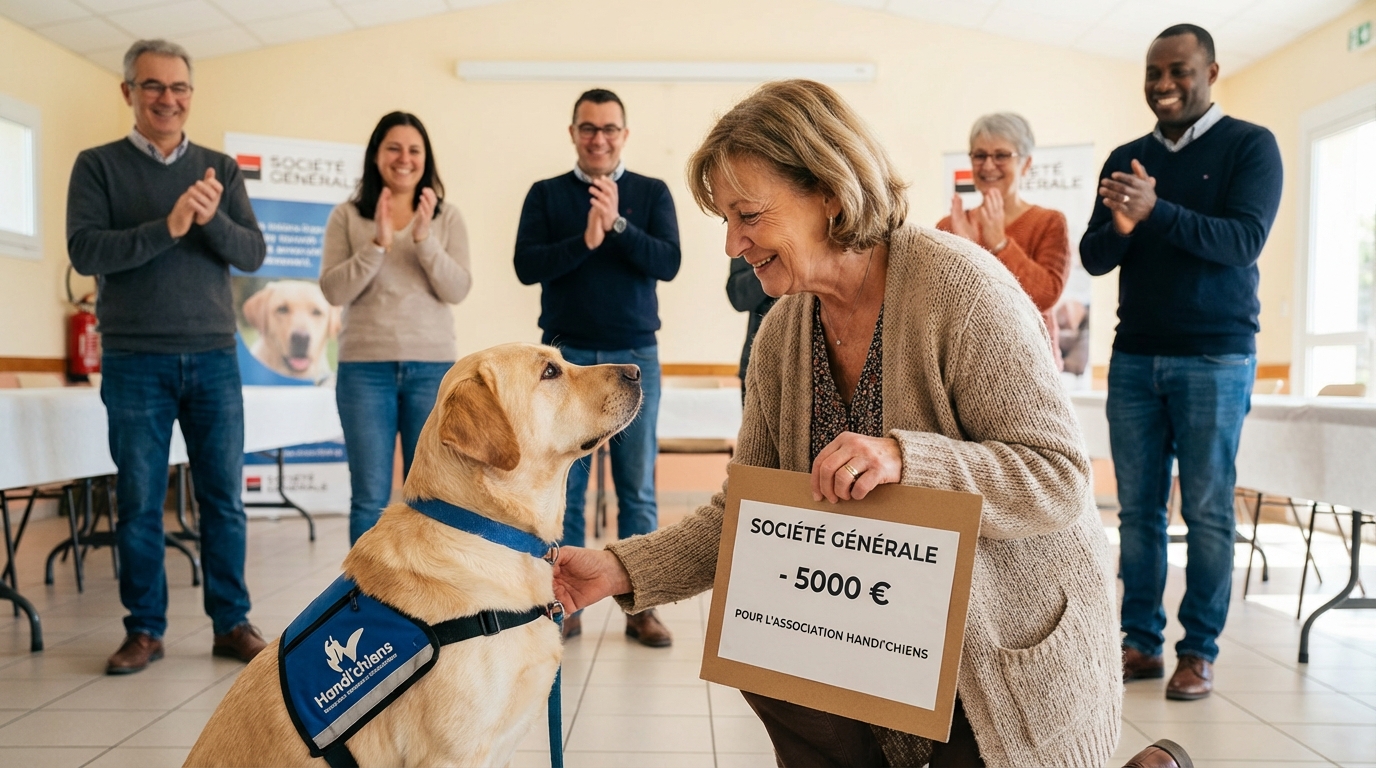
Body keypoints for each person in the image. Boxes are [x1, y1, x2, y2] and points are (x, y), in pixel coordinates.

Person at [551, 79, 1125, 767]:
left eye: (748, 215)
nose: (733, 244)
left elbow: (1058, 477)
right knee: (780, 683)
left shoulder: (964, 292)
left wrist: (907, 460)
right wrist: (617, 568)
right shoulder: (781, 334)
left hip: (994, 662)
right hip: (873, 652)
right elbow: (748, 513)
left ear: (830, 192)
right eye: (726, 220)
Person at [1081, 24, 1283, 702]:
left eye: (1179, 70)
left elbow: (1243, 241)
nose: (1163, 84)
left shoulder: (1251, 146)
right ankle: (1141, 643)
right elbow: (1094, 257)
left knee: (1206, 511)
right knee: (1137, 512)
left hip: (1216, 355)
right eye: (1153, 72)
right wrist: (1122, 226)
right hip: (1135, 358)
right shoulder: (1127, 157)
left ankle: (1198, 652)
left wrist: (1156, 211)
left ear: (1211, 72)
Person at [66, 39, 267, 674]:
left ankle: (231, 623)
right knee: (139, 502)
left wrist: (208, 220)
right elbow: (85, 251)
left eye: (179, 87)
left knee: (223, 500)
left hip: (212, 357)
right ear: (128, 91)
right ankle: (145, 629)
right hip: (135, 361)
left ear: (190, 95)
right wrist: (170, 226)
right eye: (153, 85)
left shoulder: (219, 168)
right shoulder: (97, 166)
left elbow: (252, 253)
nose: (167, 98)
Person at [514, 89, 680, 646]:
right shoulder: (545, 194)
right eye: (588, 128)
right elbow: (526, 265)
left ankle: (641, 606)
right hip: (567, 362)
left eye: (609, 129)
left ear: (624, 135)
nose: (599, 138)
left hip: (634, 355)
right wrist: (585, 240)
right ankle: (564, 602)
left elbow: (669, 261)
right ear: (573, 133)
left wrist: (619, 227)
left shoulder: (651, 192)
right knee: (567, 487)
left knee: (637, 489)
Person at [320, 112, 472, 545]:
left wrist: (424, 240)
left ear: (426, 159)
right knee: (369, 497)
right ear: (376, 155)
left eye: (413, 150)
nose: (404, 158)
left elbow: (457, 289)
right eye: (394, 148)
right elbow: (333, 290)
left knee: (432, 495)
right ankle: (366, 588)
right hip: (364, 370)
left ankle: (426, 585)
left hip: (432, 368)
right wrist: (377, 245)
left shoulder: (446, 217)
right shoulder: (348, 216)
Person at [938, 113, 1070, 369]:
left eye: (1001, 155)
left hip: (1031, 365)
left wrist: (1000, 244)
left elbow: (1045, 296)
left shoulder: (1049, 222)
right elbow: (940, 304)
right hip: (967, 364)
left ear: (1026, 164)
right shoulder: (949, 226)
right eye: (980, 155)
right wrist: (968, 251)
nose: (988, 166)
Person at [726, 257, 777, 402]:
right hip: (761, 366)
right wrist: (774, 263)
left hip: (819, 362)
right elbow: (738, 297)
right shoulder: (752, 243)